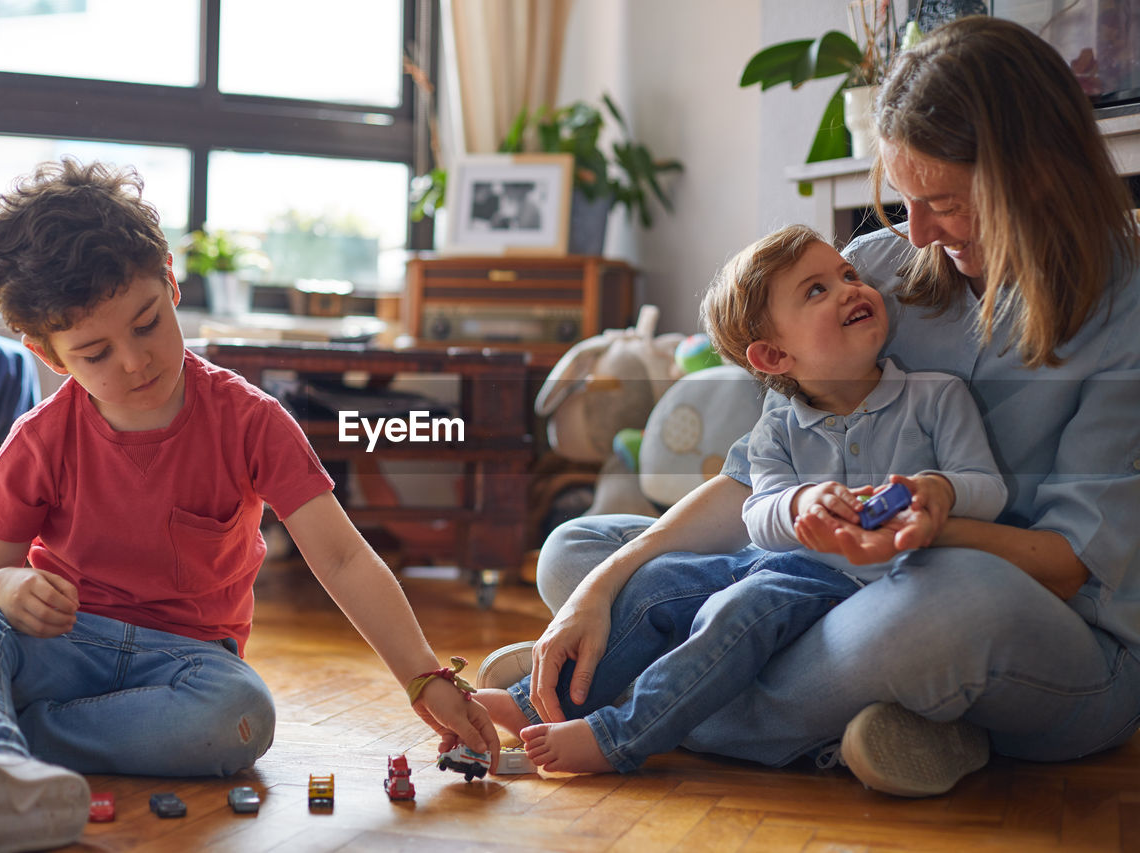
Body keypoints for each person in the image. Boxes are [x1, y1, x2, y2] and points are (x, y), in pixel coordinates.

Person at [478, 16, 1140, 797]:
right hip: (824, 589)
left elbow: (1071, 564)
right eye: (903, 197)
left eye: (946, 201)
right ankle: (891, 723)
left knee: (945, 605)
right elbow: (754, 481)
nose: (916, 230)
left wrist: (918, 525)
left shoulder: (1125, 303)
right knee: (578, 548)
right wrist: (603, 585)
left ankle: (623, 695)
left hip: (1027, 622)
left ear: (1032, 172)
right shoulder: (875, 270)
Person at [0, 158, 499, 853]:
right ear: (46, 351)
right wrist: (7, 586)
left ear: (169, 278)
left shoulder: (252, 421)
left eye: (147, 322)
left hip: (187, 668)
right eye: (96, 351)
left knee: (241, 715)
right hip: (60, 646)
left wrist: (422, 675)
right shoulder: (42, 437)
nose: (134, 361)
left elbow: (343, 557)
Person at [476, 224, 1007, 777]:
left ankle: (620, 734)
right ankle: (532, 703)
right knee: (659, 582)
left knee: (739, 609)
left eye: (848, 275)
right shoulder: (778, 424)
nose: (851, 288)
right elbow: (758, 509)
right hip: (770, 563)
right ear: (775, 355)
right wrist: (799, 505)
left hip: (857, 590)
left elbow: (988, 490)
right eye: (817, 290)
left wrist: (939, 490)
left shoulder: (937, 396)